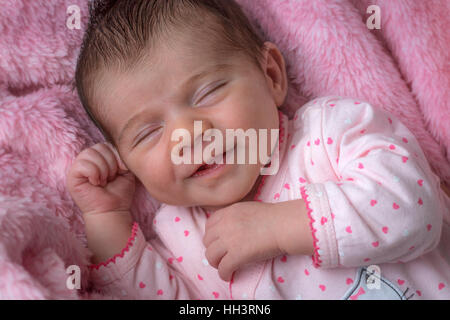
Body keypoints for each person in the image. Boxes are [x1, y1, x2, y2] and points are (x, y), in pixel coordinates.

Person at [67, 0, 450, 299]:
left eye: (208, 92)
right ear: (128, 162)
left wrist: (281, 226)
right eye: (148, 133)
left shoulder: (327, 135)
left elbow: (416, 207)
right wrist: (107, 217)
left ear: (271, 76)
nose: (187, 134)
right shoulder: (182, 235)